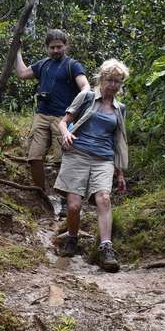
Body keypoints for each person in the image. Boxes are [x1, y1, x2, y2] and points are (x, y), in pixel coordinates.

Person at [54, 58, 129, 271]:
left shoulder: (120, 109)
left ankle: (106, 248)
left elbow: (117, 141)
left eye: (118, 82)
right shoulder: (86, 97)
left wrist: (120, 173)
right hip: (77, 154)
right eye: (110, 80)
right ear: (101, 79)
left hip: (103, 159)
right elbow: (63, 121)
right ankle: (72, 237)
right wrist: (66, 133)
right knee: (74, 205)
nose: (113, 85)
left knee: (104, 198)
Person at [15, 29, 89, 192]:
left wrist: (76, 107)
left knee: (62, 160)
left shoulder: (73, 65)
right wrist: (17, 51)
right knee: (34, 157)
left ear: (66, 46)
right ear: (47, 48)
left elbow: (85, 86)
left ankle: (65, 197)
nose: (55, 50)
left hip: (62, 118)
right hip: (41, 115)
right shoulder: (43, 64)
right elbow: (22, 73)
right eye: (52, 47)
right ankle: (40, 193)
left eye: (59, 47)